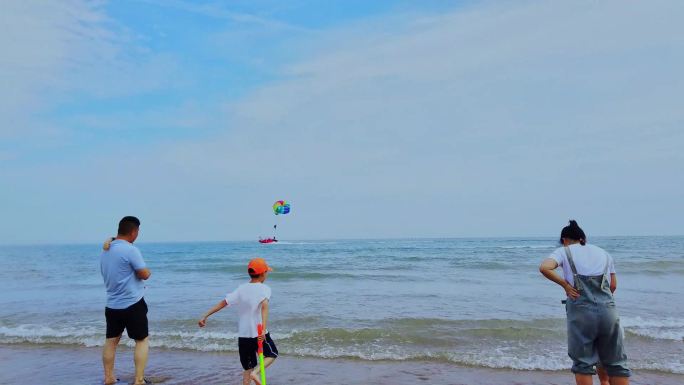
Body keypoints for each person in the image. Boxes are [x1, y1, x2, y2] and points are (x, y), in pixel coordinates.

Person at [539, 220, 631, 385]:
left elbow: (545, 267)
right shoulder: (604, 253)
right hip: (608, 311)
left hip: (581, 312)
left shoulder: (563, 252)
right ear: (582, 238)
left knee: (583, 364)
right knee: (616, 363)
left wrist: (566, 285)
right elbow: (613, 285)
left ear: (565, 240)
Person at [198, 258, 278, 385]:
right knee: (272, 354)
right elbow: (264, 307)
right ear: (263, 274)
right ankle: (255, 373)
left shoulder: (241, 289)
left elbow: (223, 303)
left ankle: (251, 373)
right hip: (259, 334)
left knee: (247, 367)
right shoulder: (265, 289)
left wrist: (205, 316)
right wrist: (263, 329)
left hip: (244, 336)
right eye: (267, 272)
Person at [100, 216, 152, 385]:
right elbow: (143, 273)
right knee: (141, 340)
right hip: (132, 303)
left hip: (112, 304)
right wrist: (147, 272)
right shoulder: (130, 249)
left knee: (111, 341)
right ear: (133, 231)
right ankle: (139, 380)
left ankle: (108, 377)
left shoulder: (106, 249)